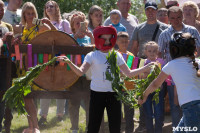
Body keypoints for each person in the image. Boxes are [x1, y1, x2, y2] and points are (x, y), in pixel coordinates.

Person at [57, 25, 153, 133]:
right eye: (104, 39)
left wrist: (145, 68)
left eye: (109, 39)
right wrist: (69, 62)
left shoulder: (116, 55)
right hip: (97, 94)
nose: (107, 41)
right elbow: (80, 72)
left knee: (115, 126)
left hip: (114, 95)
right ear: (98, 39)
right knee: (94, 126)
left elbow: (129, 73)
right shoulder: (92, 55)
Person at [139, 32, 200, 133]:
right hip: (192, 107)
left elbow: (155, 84)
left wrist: (144, 95)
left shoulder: (172, 64)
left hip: (190, 108)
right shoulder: (197, 62)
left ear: (174, 49)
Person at [158, 6, 200, 128]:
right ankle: (177, 128)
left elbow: (198, 49)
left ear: (182, 16)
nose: (176, 20)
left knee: (191, 104)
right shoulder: (164, 34)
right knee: (175, 105)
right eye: (172, 18)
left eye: (178, 17)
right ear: (168, 18)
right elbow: (160, 54)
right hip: (171, 75)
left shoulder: (192, 31)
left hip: (191, 71)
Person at [18, 2, 57, 133]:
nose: (30, 16)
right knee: (26, 97)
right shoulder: (22, 28)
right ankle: (31, 127)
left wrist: (49, 23)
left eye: (32, 13)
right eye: (28, 13)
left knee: (30, 97)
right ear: (24, 14)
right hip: (23, 66)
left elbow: (56, 34)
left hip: (35, 67)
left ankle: (36, 127)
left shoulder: (39, 26)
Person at [130, 2, 168, 132]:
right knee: (144, 104)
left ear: (157, 11)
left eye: (153, 10)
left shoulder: (165, 27)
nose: (150, 12)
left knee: (158, 106)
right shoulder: (139, 28)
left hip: (160, 68)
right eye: (148, 10)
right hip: (142, 66)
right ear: (145, 11)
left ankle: (157, 128)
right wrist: (134, 71)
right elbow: (134, 48)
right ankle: (145, 127)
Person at [38, 0, 71, 126]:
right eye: (46, 7)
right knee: (45, 85)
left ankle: (60, 115)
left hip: (62, 57)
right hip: (46, 57)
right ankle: (43, 116)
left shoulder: (64, 23)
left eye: (51, 6)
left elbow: (68, 39)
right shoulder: (42, 23)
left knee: (61, 85)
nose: (49, 8)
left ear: (57, 8)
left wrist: (50, 26)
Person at [68, 11, 94, 133]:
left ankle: (90, 126)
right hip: (73, 74)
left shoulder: (90, 37)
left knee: (90, 101)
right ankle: (74, 128)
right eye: (77, 23)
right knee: (74, 101)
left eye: (81, 23)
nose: (79, 25)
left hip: (88, 74)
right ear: (73, 25)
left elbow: (96, 48)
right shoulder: (69, 37)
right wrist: (75, 36)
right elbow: (67, 47)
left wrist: (91, 36)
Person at [142, 41, 165, 133]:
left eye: (154, 51)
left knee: (158, 113)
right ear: (145, 52)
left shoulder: (161, 62)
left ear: (158, 51)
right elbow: (141, 75)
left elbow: (164, 76)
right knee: (148, 113)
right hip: (146, 90)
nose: (152, 53)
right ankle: (150, 130)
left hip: (158, 90)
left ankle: (158, 130)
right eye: (150, 51)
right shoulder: (143, 62)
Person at [116, 31, 135, 133]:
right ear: (117, 42)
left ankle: (129, 130)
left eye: (125, 41)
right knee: (117, 112)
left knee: (129, 112)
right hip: (118, 87)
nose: (124, 43)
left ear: (128, 42)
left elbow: (130, 70)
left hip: (129, 87)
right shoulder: (114, 54)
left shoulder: (131, 55)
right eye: (121, 41)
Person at [0, 1, 14, 133]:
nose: (1, 11)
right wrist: (3, 40)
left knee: (4, 95)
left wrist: (14, 41)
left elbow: (12, 47)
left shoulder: (8, 26)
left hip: (5, 67)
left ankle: (5, 124)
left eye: (2, 9)